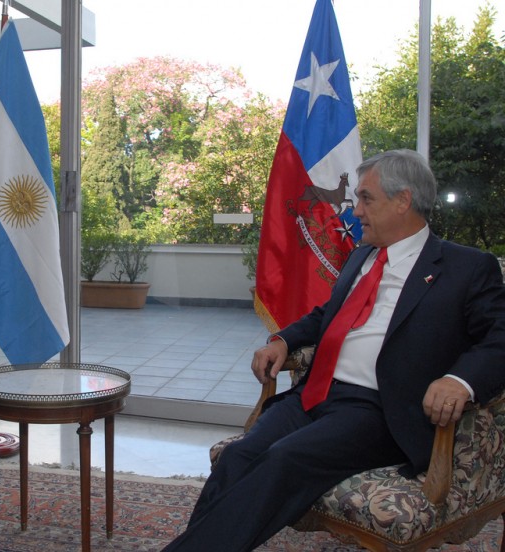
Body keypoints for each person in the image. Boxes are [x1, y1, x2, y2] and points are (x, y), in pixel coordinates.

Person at [162, 149, 505, 551]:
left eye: (365, 198)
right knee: (239, 457)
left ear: (403, 201)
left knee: (282, 461)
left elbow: (500, 337)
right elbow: (328, 314)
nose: (355, 210)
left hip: (378, 409)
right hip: (315, 394)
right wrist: (284, 339)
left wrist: (459, 380)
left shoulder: (466, 267)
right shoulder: (361, 255)